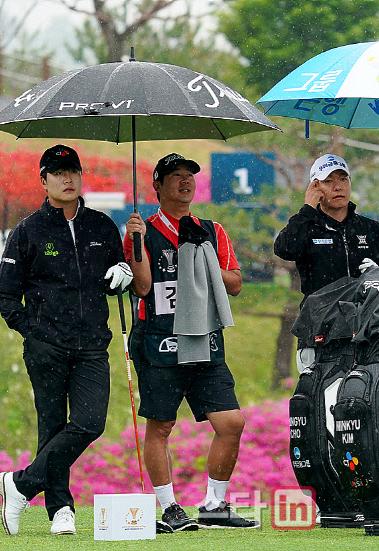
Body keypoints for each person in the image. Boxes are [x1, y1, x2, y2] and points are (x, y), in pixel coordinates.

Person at [0, 144, 132, 536]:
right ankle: (60, 511)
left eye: (72, 170)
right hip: (46, 345)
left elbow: (114, 277)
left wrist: (122, 268)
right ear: (44, 181)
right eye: (57, 172)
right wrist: (34, 332)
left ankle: (19, 484)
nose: (67, 178)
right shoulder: (28, 231)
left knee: (90, 423)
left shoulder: (102, 226)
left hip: (91, 345)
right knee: (51, 426)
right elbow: (5, 295)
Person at [124, 153, 258, 532]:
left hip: (205, 340)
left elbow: (234, 284)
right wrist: (135, 242)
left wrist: (204, 260)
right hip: (158, 341)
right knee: (161, 426)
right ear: (158, 186)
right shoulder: (143, 230)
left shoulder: (212, 230)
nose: (185, 182)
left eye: (190, 177)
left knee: (232, 422)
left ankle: (215, 504)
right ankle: (169, 509)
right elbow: (143, 287)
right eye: (176, 176)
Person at [274, 153, 379, 366]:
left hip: (366, 333)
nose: (337, 187)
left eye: (342, 179)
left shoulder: (370, 229)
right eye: (328, 181)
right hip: (319, 332)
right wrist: (307, 210)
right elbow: (284, 249)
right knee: (320, 399)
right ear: (315, 188)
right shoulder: (306, 226)